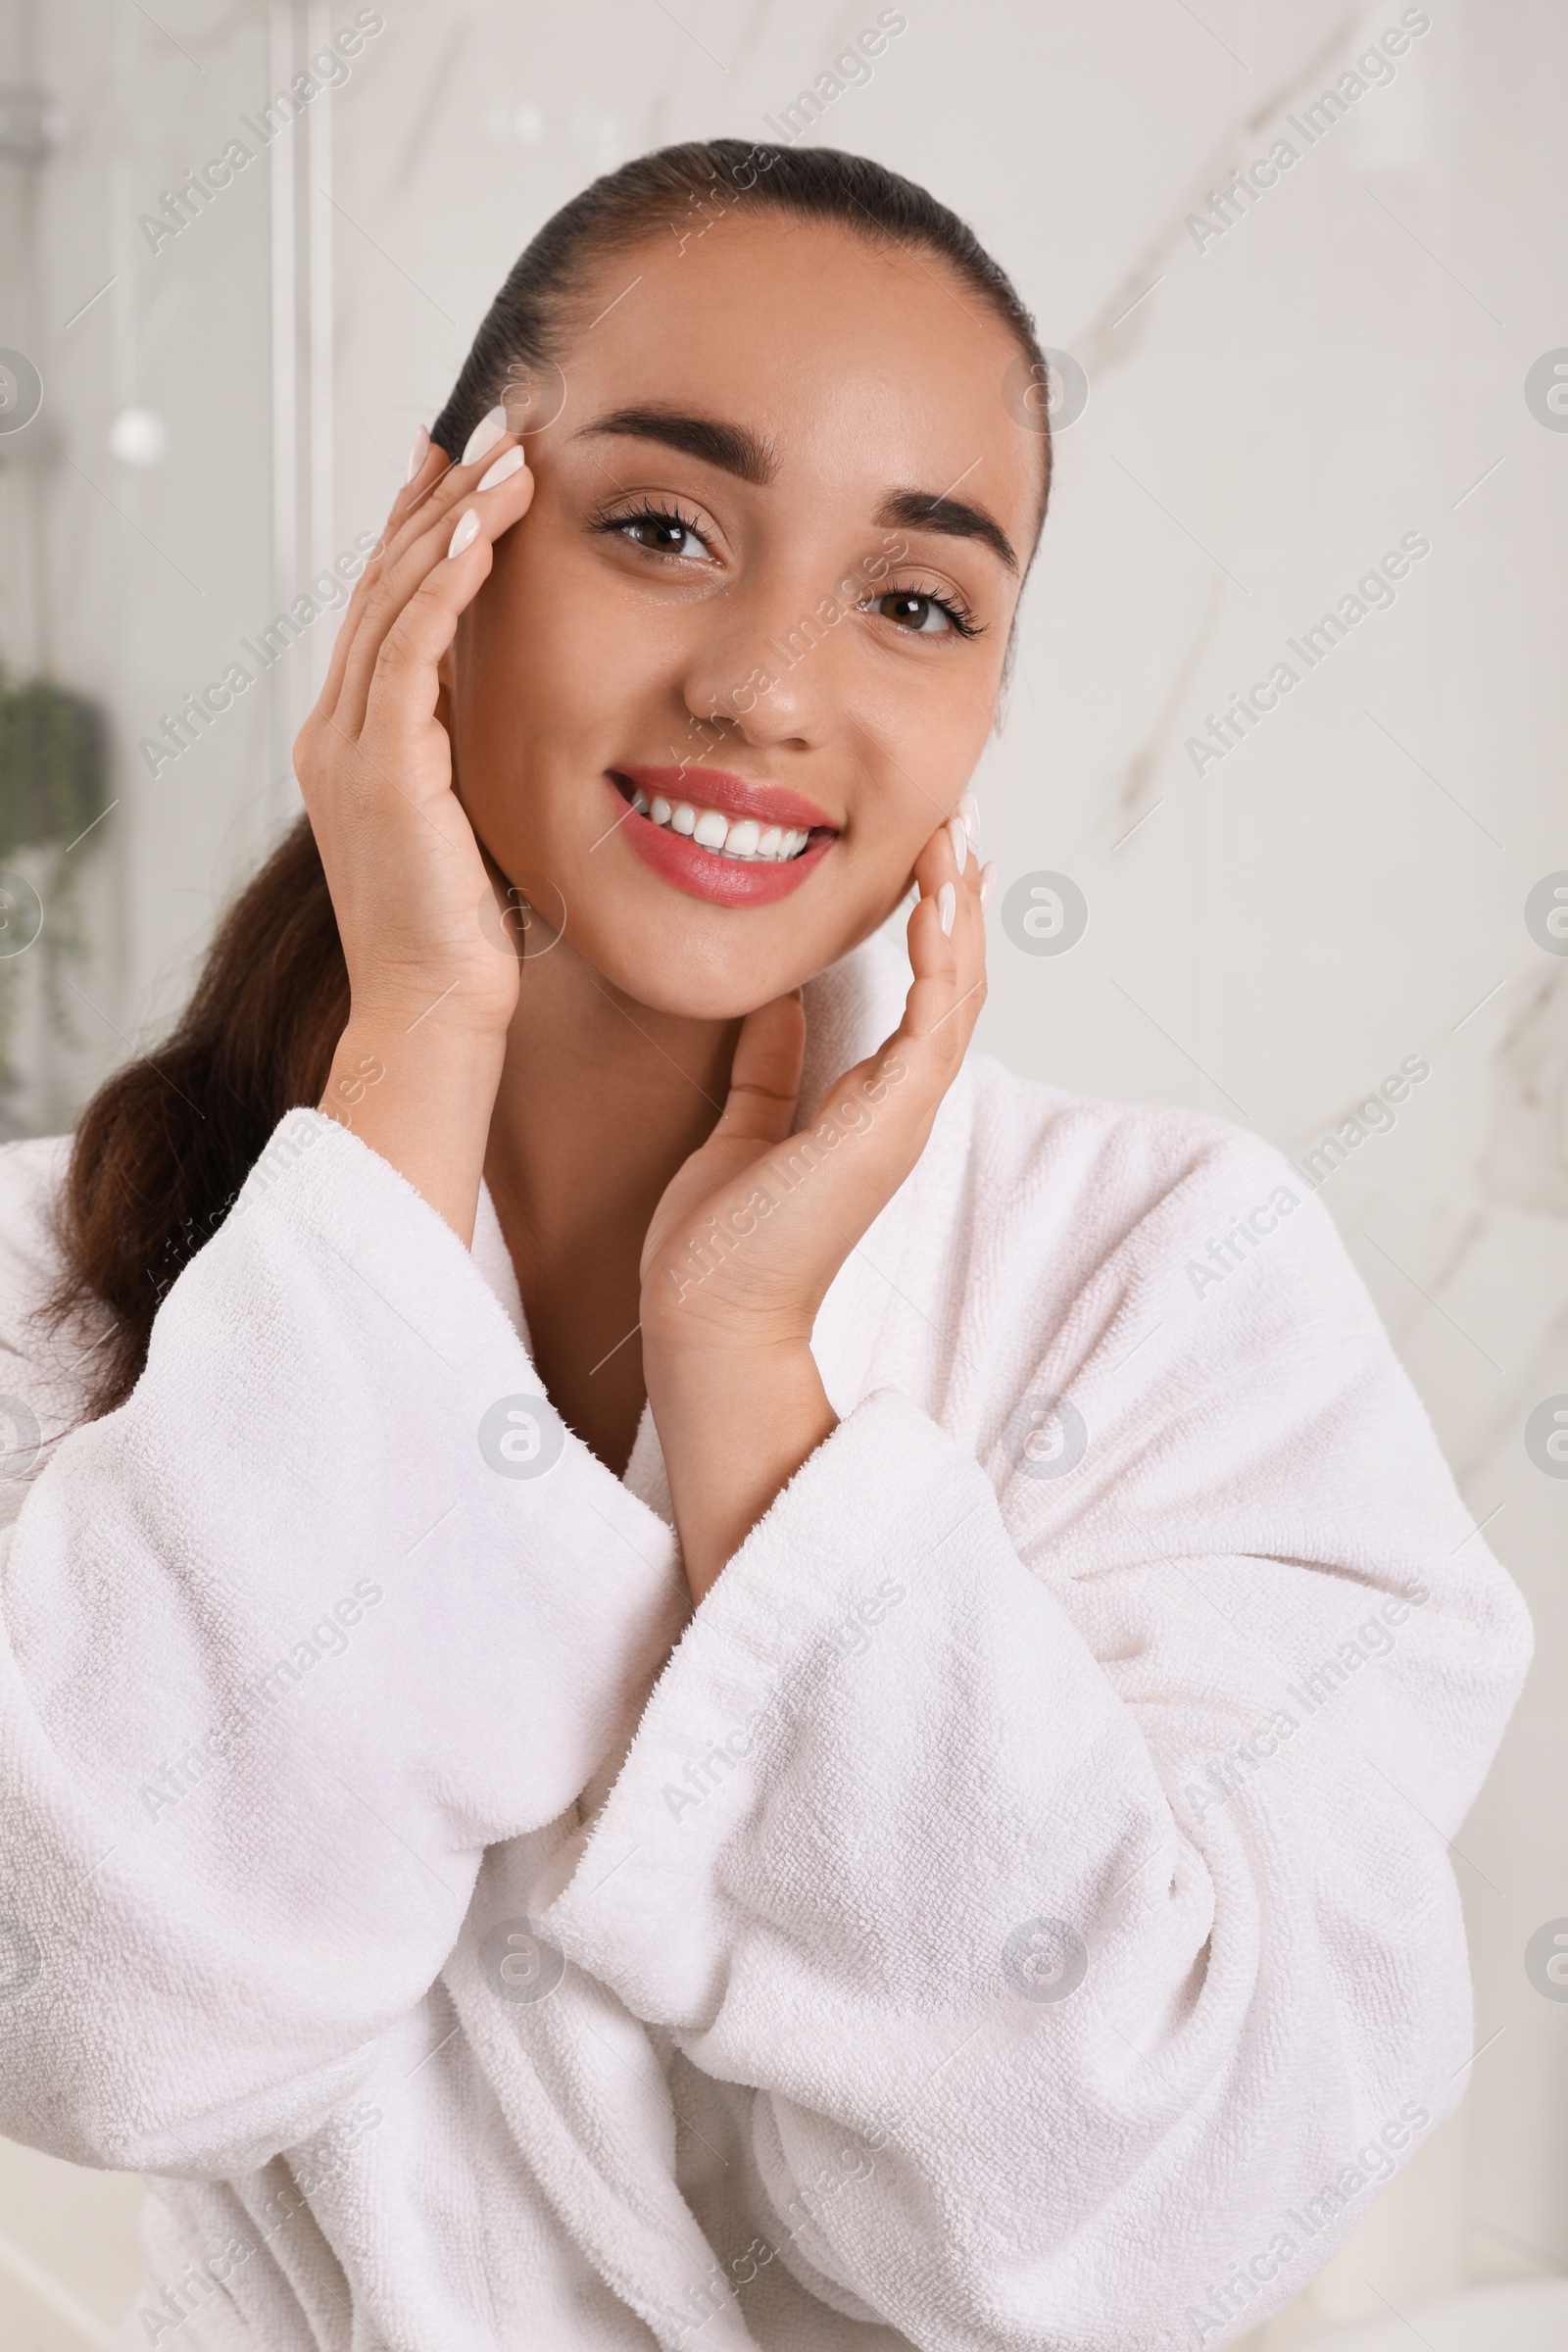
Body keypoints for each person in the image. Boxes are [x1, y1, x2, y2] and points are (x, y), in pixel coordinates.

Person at [0, 141, 1530, 2352]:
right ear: (439, 541)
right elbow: (108, 2024)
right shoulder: (68, 1256)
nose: (764, 687)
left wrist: (760, 1405)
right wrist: (416, 1043)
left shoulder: (1172, 1276)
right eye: (660, 528)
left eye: (914, 601)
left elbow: (1148, 2220)